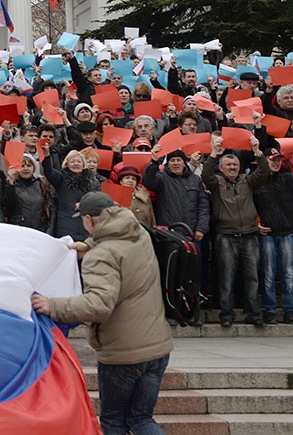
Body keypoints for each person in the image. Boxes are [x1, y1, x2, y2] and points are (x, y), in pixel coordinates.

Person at [32, 192, 173, 435]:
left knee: (114, 421)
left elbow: (98, 304)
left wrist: (52, 305)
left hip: (123, 353)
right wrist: (89, 244)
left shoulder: (100, 256)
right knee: (141, 420)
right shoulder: (139, 233)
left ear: (90, 220)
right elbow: (117, 234)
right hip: (157, 346)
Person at [201, 133, 269, 327]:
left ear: (239, 167)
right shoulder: (216, 183)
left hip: (249, 235)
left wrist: (257, 152)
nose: (232, 168)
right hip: (225, 235)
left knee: (252, 277)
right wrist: (214, 153)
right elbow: (206, 175)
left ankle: (253, 314)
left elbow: (264, 173)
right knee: (226, 278)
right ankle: (226, 314)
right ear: (221, 169)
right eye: (228, 165)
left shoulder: (247, 181)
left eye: (235, 165)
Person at [251, 148, 293, 324]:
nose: (276, 163)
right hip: (267, 233)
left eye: (279, 160)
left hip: (287, 232)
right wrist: (256, 223)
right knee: (268, 274)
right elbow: (249, 206)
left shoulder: (288, 179)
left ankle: (289, 310)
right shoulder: (256, 182)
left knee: (289, 274)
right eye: (273, 160)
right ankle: (270, 310)